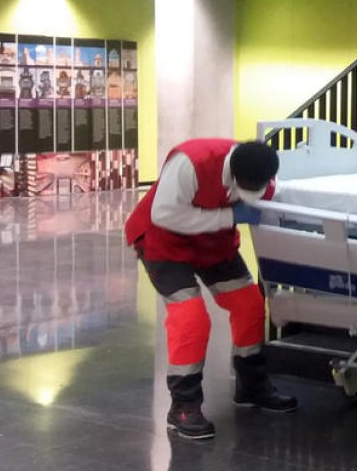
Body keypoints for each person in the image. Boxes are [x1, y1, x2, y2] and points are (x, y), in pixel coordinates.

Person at [124, 139, 297, 440]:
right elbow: (164, 214)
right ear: (234, 174)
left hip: (213, 244)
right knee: (190, 318)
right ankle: (184, 406)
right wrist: (230, 217)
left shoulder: (263, 171)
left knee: (249, 305)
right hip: (164, 243)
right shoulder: (190, 164)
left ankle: (252, 385)